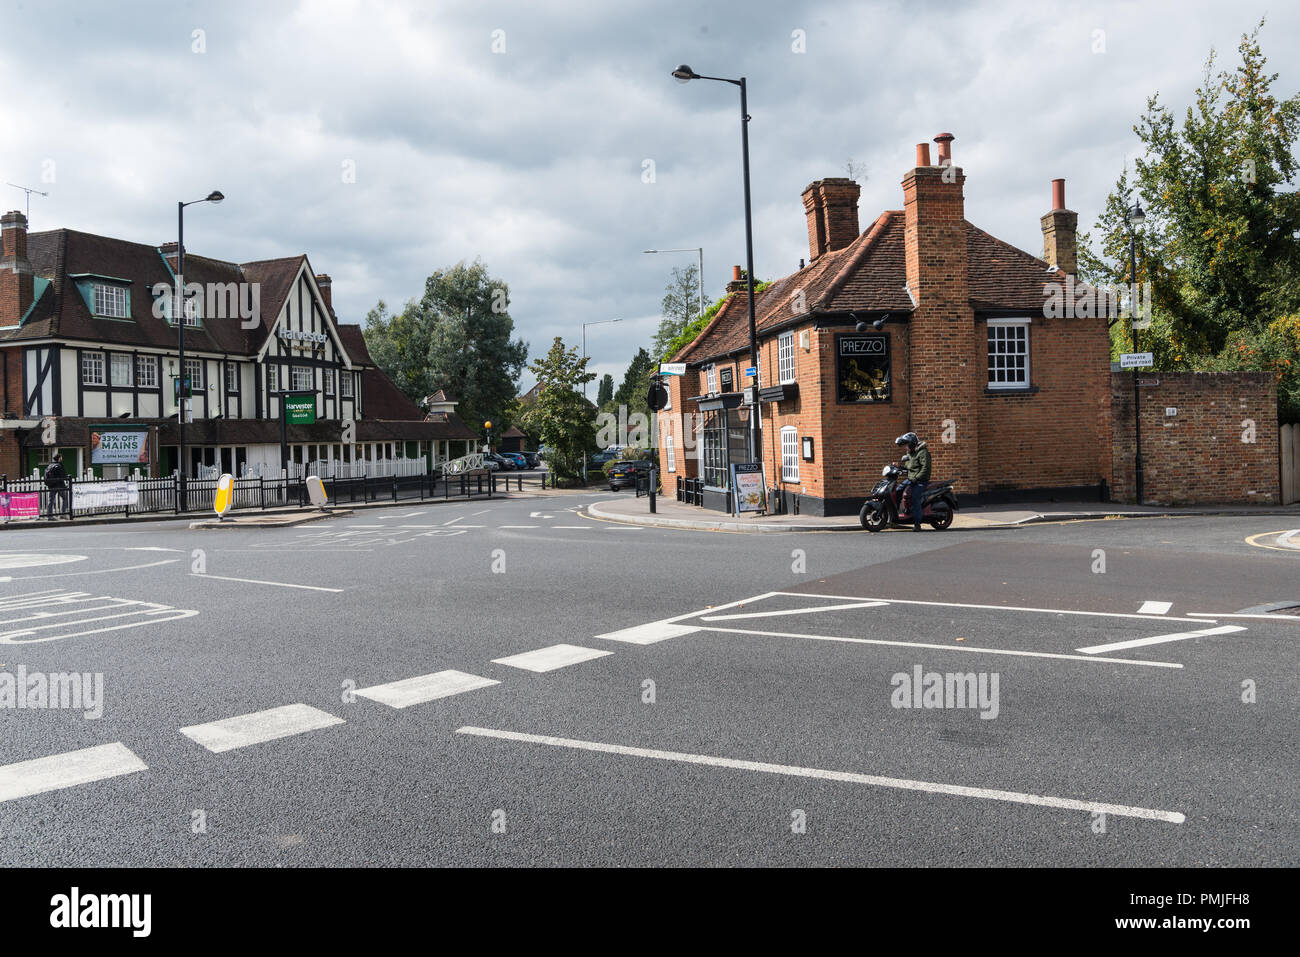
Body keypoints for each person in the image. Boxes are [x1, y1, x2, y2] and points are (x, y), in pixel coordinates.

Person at [895, 432, 930, 531]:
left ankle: (917, 523)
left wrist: (916, 478)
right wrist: (899, 467)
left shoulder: (923, 452)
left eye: (906, 445)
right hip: (911, 479)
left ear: (911, 444)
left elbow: (925, 469)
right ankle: (896, 515)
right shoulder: (910, 453)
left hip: (920, 481)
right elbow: (908, 467)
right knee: (898, 490)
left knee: (915, 497)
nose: (905, 448)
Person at [44, 452, 70, 520]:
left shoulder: (50, 465)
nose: (62, 458)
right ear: (59, 458)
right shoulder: (59, 465)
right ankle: (63, 514)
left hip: (51, 485)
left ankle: (49, 516)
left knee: (51, 501)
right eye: (61, 457)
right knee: (65, 498)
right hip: (59, 485)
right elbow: (63, 476)